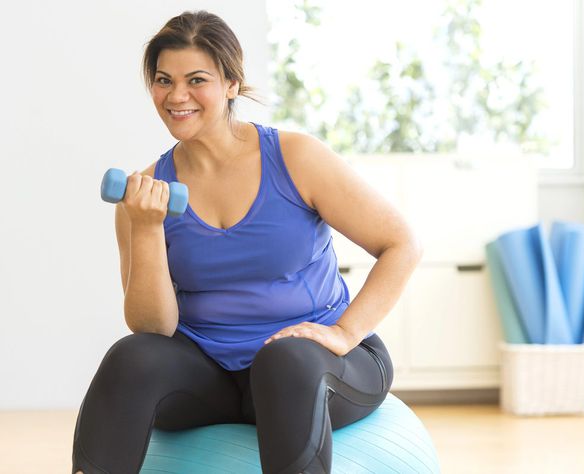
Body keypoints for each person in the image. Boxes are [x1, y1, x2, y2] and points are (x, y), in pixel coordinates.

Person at [71, 9, 423, 474]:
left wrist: (344, 333)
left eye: (197, 79)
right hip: (215, 378)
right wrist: (148, 228)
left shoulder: (296, 158)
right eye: (163, 80)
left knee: (284, 362)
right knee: (131, 358)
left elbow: (401, 243)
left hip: (315, 369)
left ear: (232, 83)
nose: (177, 96)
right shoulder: (146, 193)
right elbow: (153, 327)